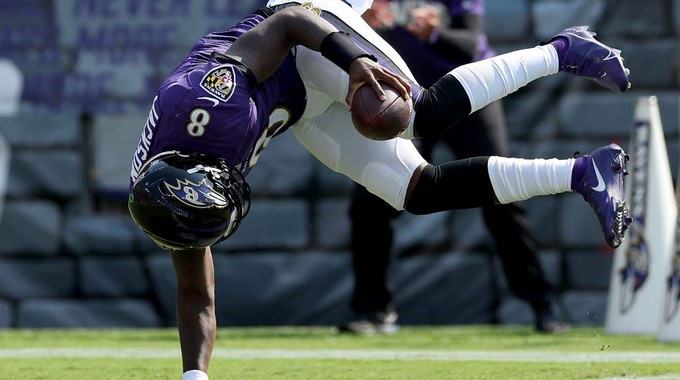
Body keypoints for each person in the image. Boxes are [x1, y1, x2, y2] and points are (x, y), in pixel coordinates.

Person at [126, 0, 632, 378]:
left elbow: (287, 23)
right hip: (299, 101)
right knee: (417, 190)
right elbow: (195, 294)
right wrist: (196, 376)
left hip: (305, 35)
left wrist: (352, 63)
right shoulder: (170, 207)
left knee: (413, 114)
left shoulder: (211, 100)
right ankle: (584, 172)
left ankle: (564, 50)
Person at [342, 0, 569, 335]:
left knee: (502, 198)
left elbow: (470, 44)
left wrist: (435, 33)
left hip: (468, 98)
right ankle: (373, 309)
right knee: (370, 202)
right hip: (408, 99)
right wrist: (361, 24)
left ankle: (541, 302)